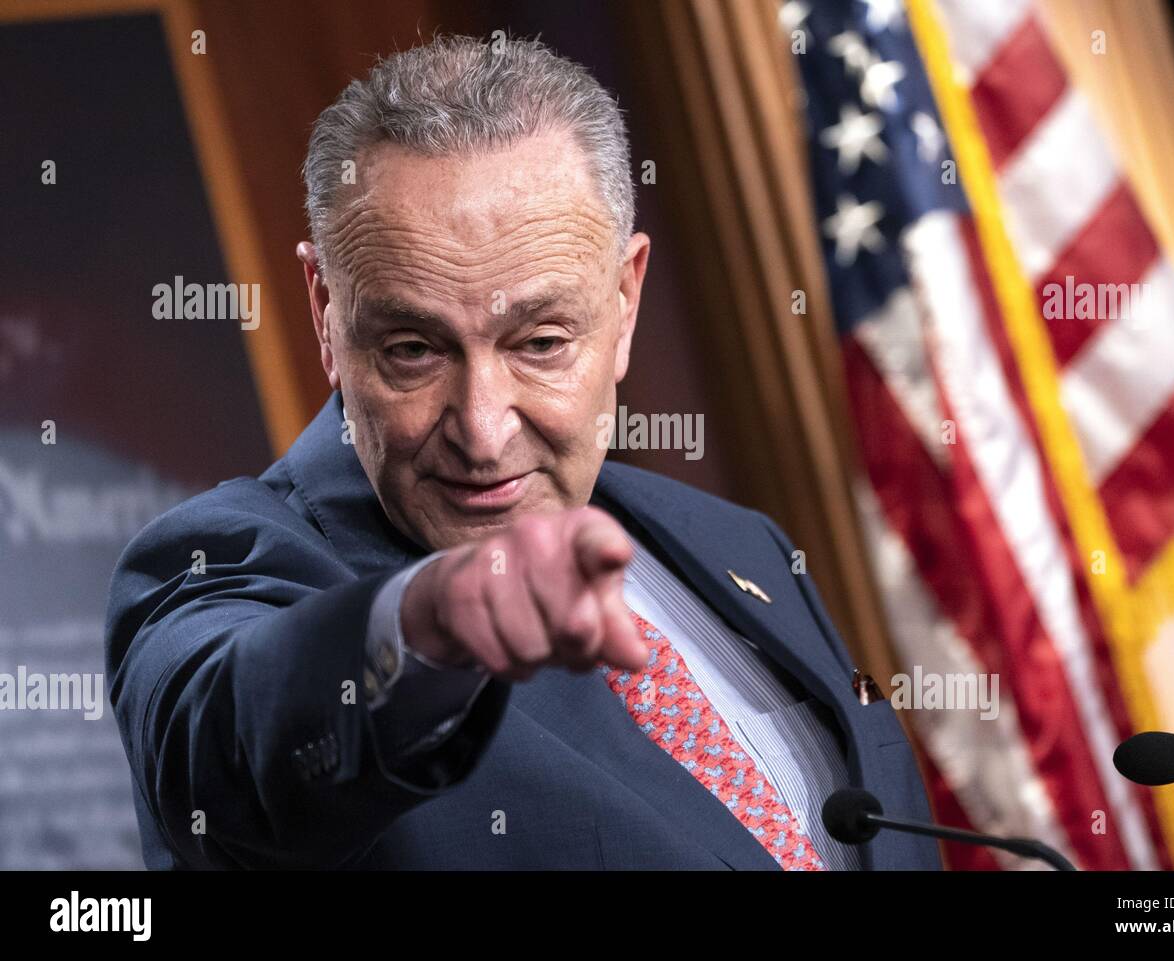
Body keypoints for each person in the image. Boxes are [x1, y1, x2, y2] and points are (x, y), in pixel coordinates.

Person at [106, 34, 940, 870]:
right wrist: (428, 625)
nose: (483, 427)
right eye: (413, 351)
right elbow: (222, 749)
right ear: (326, 309)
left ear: (625, 296)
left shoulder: (740, 544)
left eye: (540, 342)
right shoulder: (224, 562)